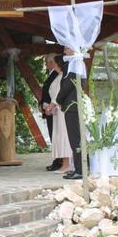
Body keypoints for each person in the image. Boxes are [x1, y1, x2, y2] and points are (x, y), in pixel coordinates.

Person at [56, 47, 86, 180]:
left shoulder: (76, 63)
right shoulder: (74, 62)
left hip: (72, 105)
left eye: (67, 47)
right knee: (75, 138)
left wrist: (58, 99)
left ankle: (80, 170)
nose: (64, 49)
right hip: (73, 105)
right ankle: (78, 168)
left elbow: (68, 84)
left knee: (75, 138)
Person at [45, 55, 74, 174]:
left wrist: (50, 107)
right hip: (57, 111)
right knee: (60, 136)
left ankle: (67, 164)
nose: (53, 64)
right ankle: (65, 163)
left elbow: (57, 95)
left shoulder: (63, 77)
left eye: (55, 62)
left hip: (61, 111)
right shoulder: (59, 76)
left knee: (63, 136)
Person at [40, 53, 61, 171]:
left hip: (53, 109)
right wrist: (41, 104)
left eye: (47, 62)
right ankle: (57, 159)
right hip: (48, 108)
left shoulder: (56, 75)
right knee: (53, 134)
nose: (46, 65)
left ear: (52, 63)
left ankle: (59, 160)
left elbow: (53, 93)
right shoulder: (52, 74)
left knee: (55, 135)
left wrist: (48, 106)